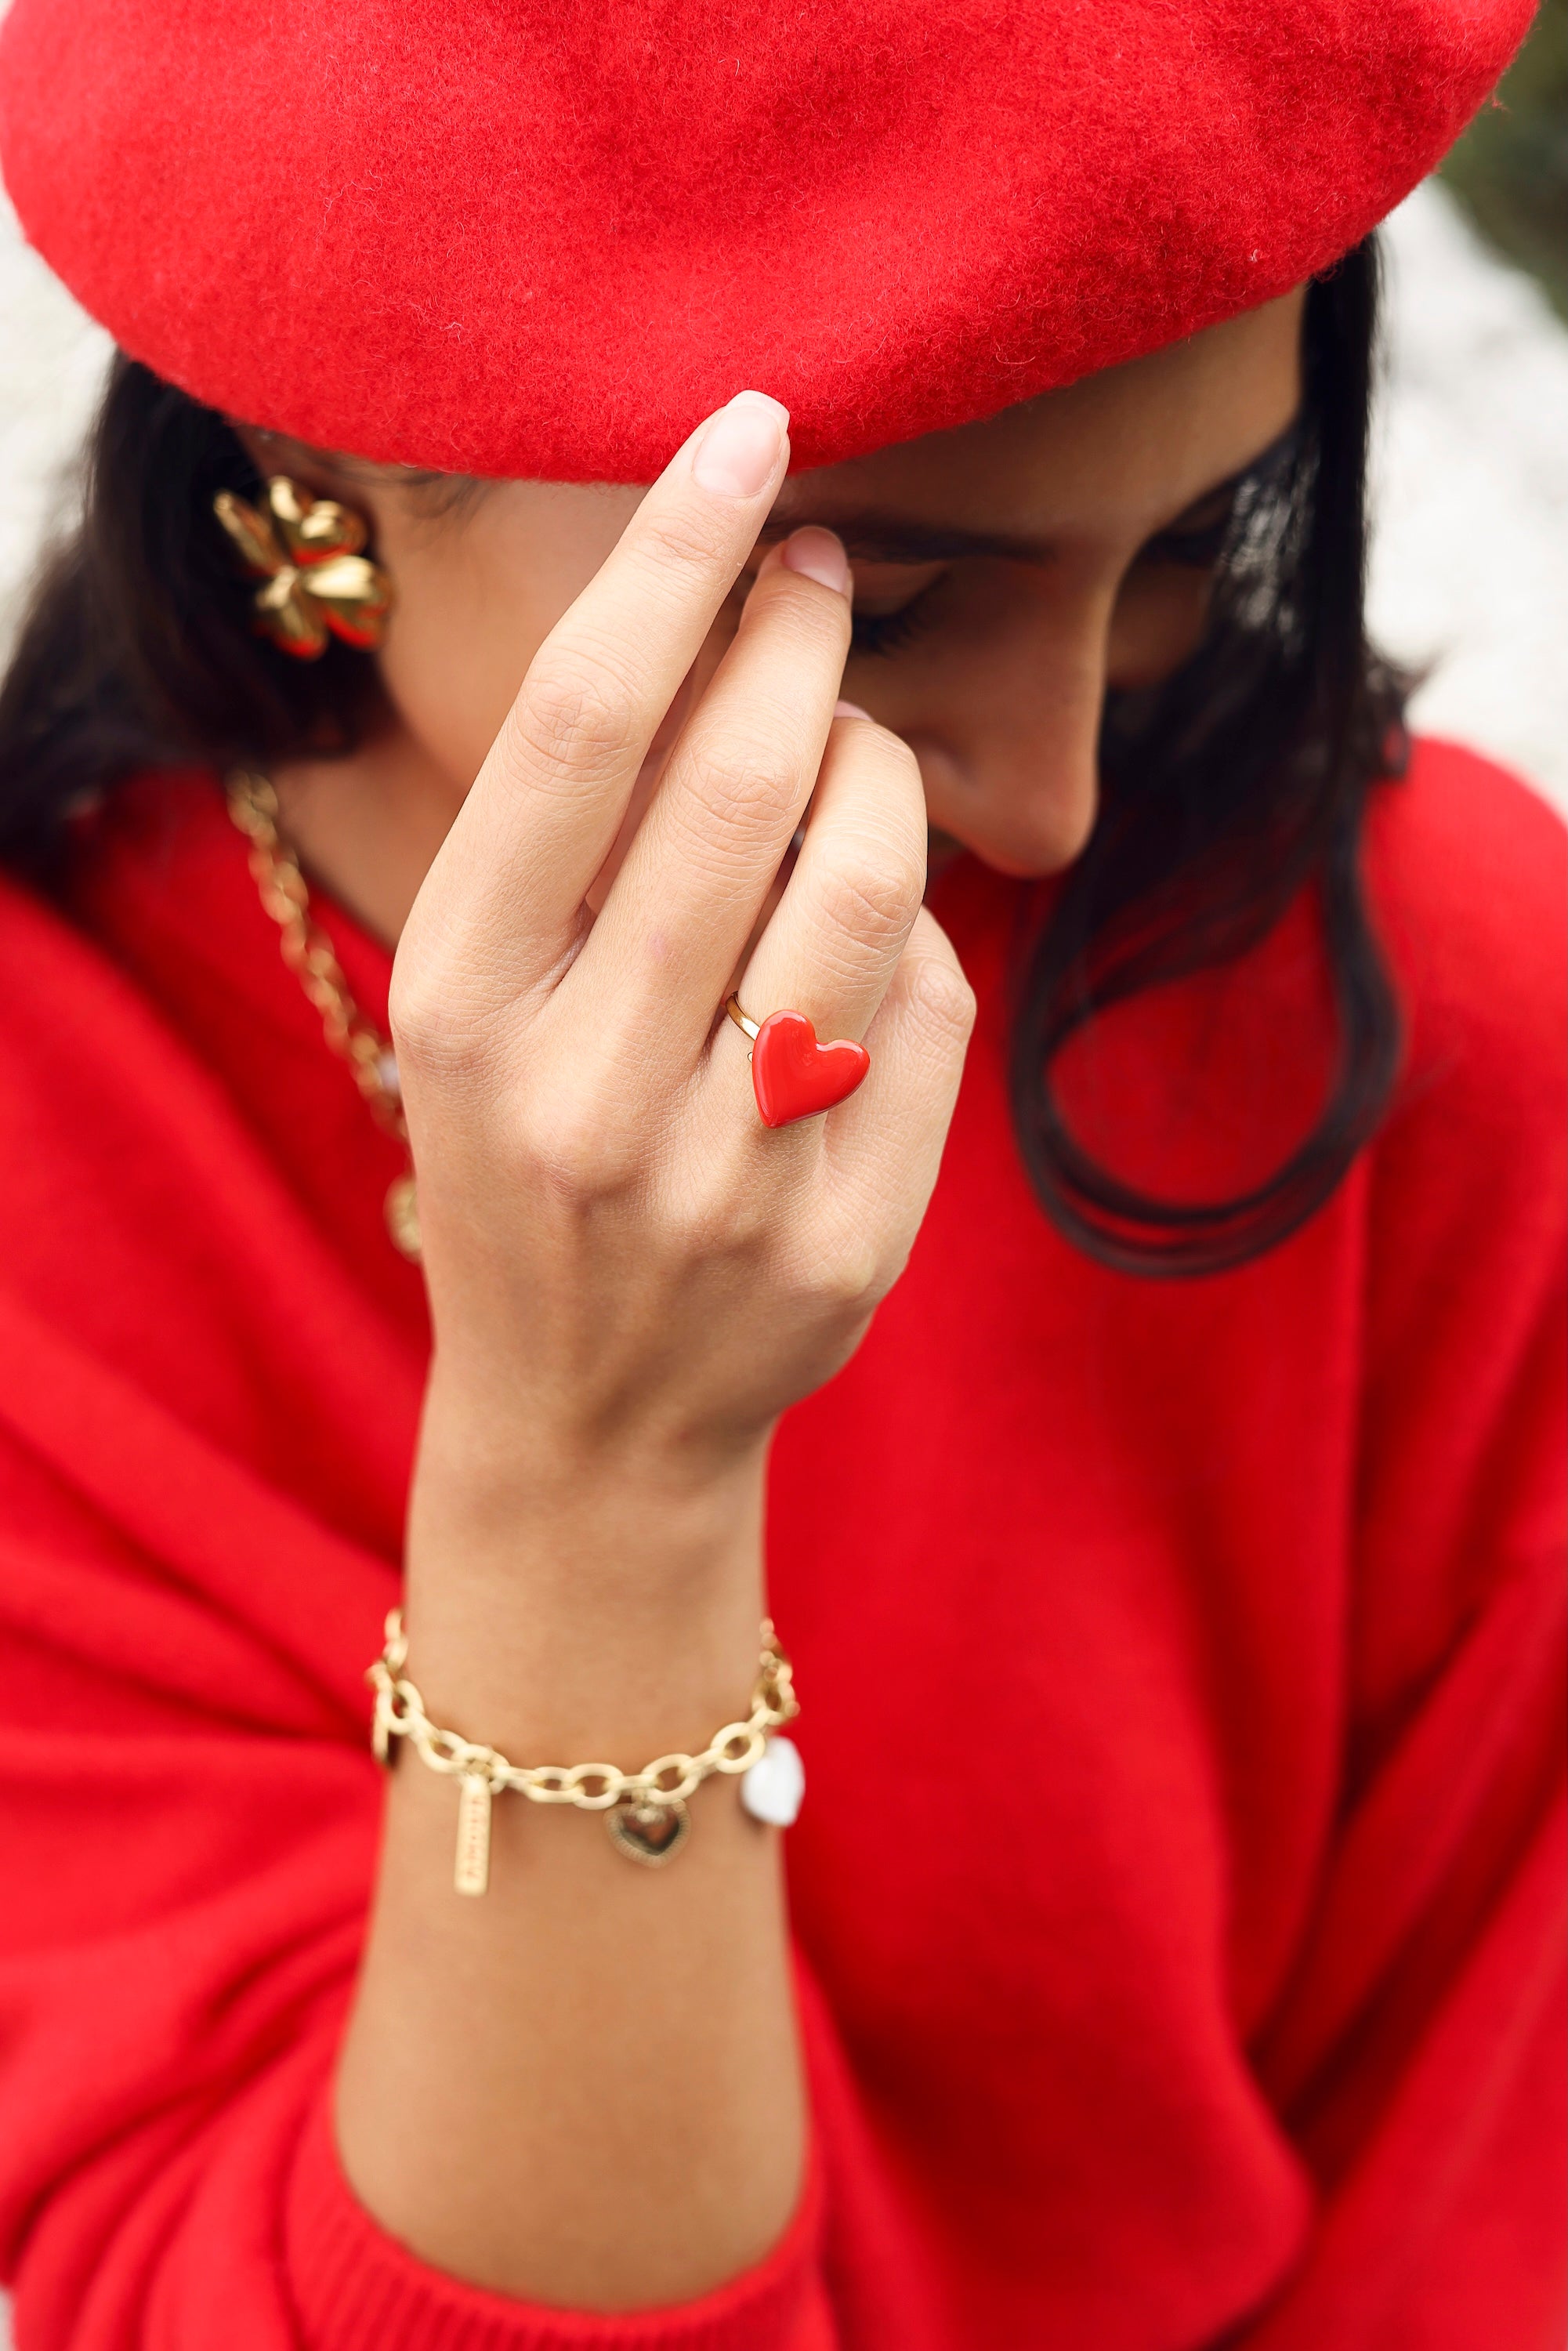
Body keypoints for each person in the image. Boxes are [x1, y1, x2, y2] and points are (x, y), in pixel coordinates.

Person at [0, 0, 1561, 2344]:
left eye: (1183, 549)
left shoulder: (1426, 1000)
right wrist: (594, 1481)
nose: (1044, 796)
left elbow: (1495, 2195)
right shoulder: (57, 1141)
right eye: (894, 611)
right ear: (309, 447)